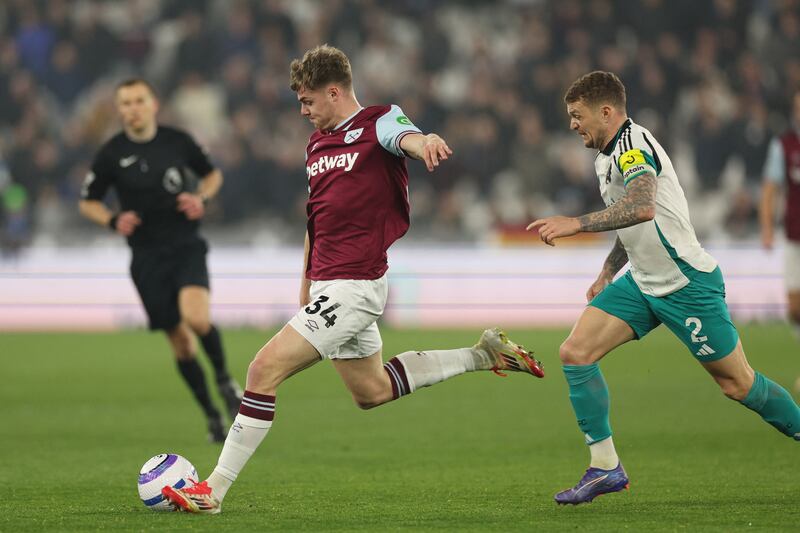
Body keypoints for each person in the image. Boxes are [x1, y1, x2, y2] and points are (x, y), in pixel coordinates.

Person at [162, 44, 544, 514]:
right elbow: (316, 219)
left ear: (335, 91)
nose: (302, 112)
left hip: (356, 285)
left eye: (307, 101)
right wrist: (305, 284)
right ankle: (482, 354)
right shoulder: (316, 145)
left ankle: (213, 490)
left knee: (262, 370)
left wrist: (424, 142)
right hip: (327, 284)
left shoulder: (378, 121)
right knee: (371, 392)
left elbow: (404, 137)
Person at [527, 71, 800, 505]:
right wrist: (607, 271)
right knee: (575, 353)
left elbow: (642, 206)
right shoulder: (606, 155)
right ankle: (605, 467)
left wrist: (575, 223)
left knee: (738, 385)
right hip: (641, 281)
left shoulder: (632, 146)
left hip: (685, 284)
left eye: (578, 116)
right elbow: (631, 223)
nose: (573, 125)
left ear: (606, 111)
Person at [78, 78, 242, 443]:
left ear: (153, 104)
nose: (133, 108)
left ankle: (225, 380)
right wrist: (111, 220)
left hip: (185, 244)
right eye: (126, 103)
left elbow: (212, 175)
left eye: (139, 101)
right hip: (146, 258)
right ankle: (212, 414)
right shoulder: (111, 153)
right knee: (181, 344)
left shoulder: (178, 141)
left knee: (197, 319)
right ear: (119, 109)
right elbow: (88, 200)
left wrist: (201, 197)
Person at [759, 90, 800, 392]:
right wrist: (767, 227)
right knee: (795, 307)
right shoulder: (783, 145)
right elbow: (771, 188)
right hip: (794, 234)